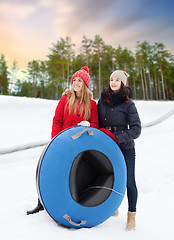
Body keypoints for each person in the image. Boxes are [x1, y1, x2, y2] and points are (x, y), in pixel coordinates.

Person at [27, 66, 99, 215]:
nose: (76, 83)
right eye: (74, 80)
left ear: (85, 84)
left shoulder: (91, 104)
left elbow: (96, 125)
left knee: (72, 174)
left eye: (79, 80)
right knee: (46, 170)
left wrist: (88, 124)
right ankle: (41, 202)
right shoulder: (65, 99)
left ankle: (70, 203)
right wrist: (55, 140)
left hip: (80, 146)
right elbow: (57, 120)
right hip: (62, 143)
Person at [97, 70, 141, 231]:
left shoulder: (129, 104)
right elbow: (98, 122)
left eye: (117, 80)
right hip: (108, 146)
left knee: (129, 181)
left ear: (122, 83)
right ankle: (112, 207)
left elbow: (136, 130)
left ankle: (131, 216)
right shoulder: (101, 101)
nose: (113, 82)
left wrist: (117, 137)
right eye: (111, 79)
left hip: (125, 146)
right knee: (110, 178)